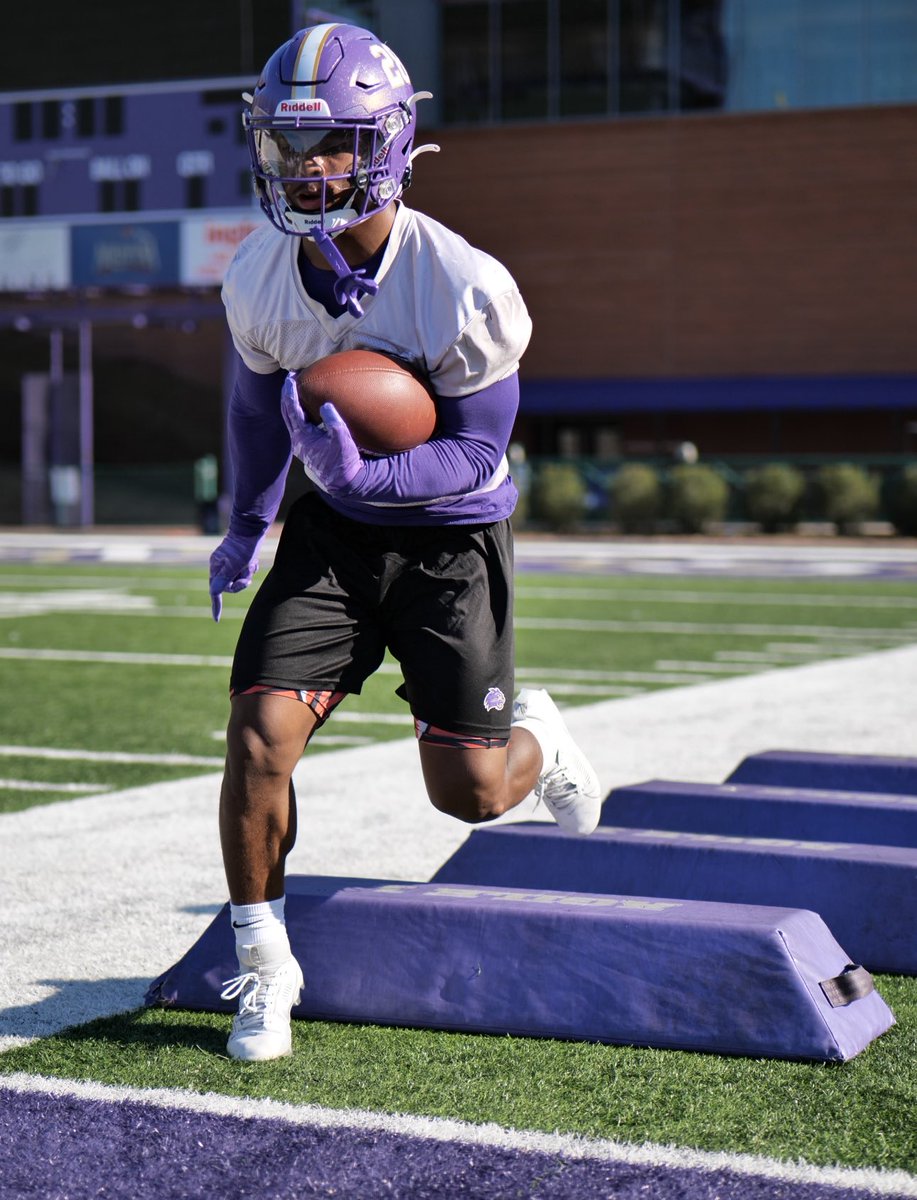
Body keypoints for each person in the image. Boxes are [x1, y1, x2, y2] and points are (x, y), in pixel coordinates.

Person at [209, 21, 602, 1062]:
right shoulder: (258, 272)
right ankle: (264, 969)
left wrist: (368, 473)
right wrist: (249, 521)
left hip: (446, 544)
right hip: (333, 537)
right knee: (256, 740)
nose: (302, 169)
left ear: (384, 145)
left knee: (467, 796)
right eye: (286, 146)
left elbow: (476, 456)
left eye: (327, 144)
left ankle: (541, 738)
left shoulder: (463, 282)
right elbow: (255, 414)